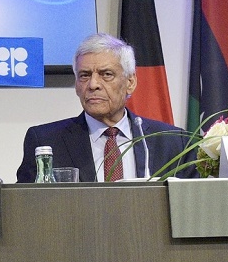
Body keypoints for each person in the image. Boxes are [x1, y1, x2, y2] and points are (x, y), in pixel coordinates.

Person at [16, 33, 198, 182]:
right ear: (77, 85)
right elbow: (25, 206)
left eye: (106, 74)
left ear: (130, 82)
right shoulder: (45, 141)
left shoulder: (174, 143)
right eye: (84, 75)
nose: (93, 84)